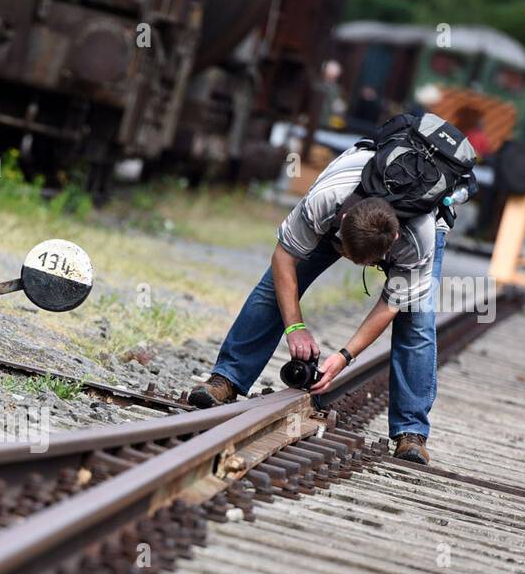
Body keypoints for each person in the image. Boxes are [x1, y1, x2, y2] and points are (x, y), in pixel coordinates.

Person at [190, 131, 458, 465]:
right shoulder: (326, 200)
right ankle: (226, 379)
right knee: (276, 286)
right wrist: (294, 327)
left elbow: (391, 303)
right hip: (342, 206)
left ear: (394, 241)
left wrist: (345, 356)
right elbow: (284, 259)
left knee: (417, 321)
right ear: (342, 223)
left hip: (422, 223)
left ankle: (411, 433)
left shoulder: (418, 239)